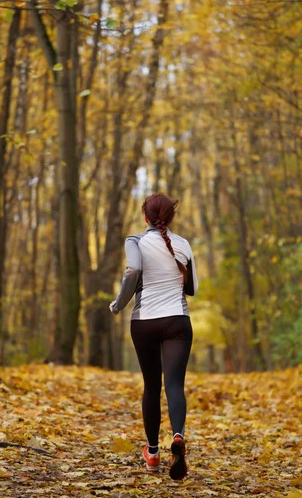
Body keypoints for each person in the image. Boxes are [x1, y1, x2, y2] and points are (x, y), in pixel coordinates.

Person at [109, 193, 198, 480]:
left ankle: (153, 453)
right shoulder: (183, 244)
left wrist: (119, 303)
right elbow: (192, 288)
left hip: (144, 321)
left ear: (145, 217)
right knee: (174, 385)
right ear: (171, 218)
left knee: (151, 386)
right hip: (177, 321)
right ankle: (178, 436)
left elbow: (133, 268)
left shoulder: (135, 241)